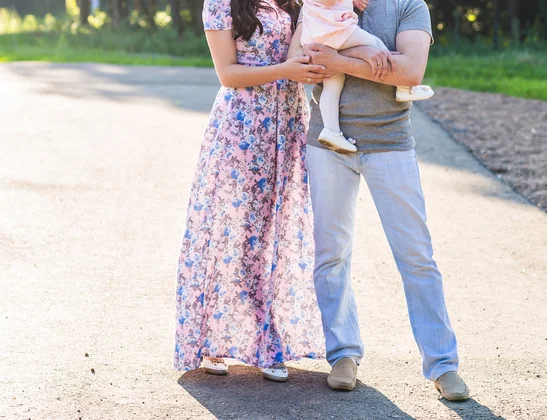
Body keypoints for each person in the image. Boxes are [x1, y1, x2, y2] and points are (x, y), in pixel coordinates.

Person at [293, 0, 471, 400]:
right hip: (328, 143)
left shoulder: (409, 6)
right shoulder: (322, 2)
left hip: (389, 143)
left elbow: (410, 71)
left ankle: (443, 366)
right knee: (331, 254)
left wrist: (341, 58)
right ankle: (342, 354)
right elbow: (307, 62)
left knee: (416, 256)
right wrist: (371, 59)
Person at [174, 0, 326, 382]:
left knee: (275, 238)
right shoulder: (221, 3)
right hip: (242, 128)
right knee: (233, 238)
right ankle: (216, 341)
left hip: (288, 126)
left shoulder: (292, 2)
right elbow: (227, 73)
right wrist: (286, 71)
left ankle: (266, 341)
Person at [297, 0, 434, 153]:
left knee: (333, 82)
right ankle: (403, 87)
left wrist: (336, 61)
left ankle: (331, 131)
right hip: (332, 31)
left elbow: (412, 72)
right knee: (376, 46)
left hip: (319, 35)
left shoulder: (410, 5)